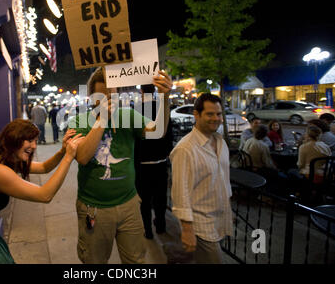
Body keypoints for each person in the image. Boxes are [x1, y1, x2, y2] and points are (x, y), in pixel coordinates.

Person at [70, 67, 172, 264]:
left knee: (136, 260)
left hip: (129, 204)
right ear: (92, 97)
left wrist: (164, 98)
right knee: (94, 260)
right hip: (94, 208)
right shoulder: (80, 121)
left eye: (113, 93)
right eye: (104, 95)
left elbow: (157, 131)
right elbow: (82, 157)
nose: (110, 98)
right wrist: (102, 119)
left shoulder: (127, 116)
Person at [0, 119, 83, 263]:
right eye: (29, 140)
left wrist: (62, 150)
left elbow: (43, 168)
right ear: (14, 138)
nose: (34, 146)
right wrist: (69, 157)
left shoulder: (3, 159)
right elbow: (45, 195)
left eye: (35, 141)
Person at [170, 93, 233, 264]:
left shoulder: (220, 141)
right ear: (196, 115)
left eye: (219, 114)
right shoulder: (185, 149)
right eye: (210, 114)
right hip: (200, 225)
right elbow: (180, 192)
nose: (216, 118)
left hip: (218, 219)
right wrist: (187, 230)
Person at [134, 84, 174, 239]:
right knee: (160, 197)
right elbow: (168, 135)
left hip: (142, 164)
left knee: (144, 200)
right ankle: (161, 225)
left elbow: (135, 139)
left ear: (142, 91)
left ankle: (147, 229)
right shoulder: (161, 109)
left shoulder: (135, 111)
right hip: (160, 162)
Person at [287, 125, 331, 198]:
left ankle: (297, 194)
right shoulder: (325, 146)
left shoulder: (304, 147)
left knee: (291, 171)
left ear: (307, 134)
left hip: (311, 175)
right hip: (326, 174)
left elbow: (300, 165)